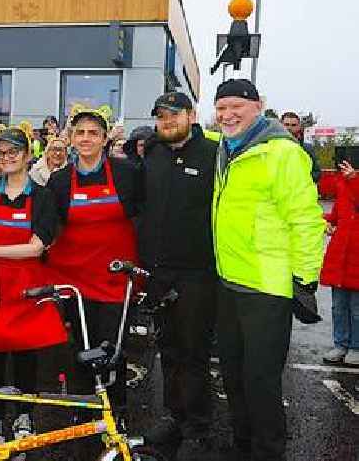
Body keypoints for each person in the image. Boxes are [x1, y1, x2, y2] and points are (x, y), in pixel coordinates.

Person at [212, 79, 325, 461]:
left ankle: (268, 451)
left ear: (258, 106)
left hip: (266, 288)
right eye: (221, 107)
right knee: (233, 376)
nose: (227, 115)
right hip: (229, 282)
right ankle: (242, 445)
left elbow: (307, 219)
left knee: (261, 381)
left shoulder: (282, 153)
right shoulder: (226, 149)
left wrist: (305, 277)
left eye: (235, 107)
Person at [0, 124, 66, 446]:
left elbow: (37, 247)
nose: (7, 158)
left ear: (28, 155)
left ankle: (24, 415)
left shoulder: (43, 196)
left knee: (26, 357)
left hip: (28, 287)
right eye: (1, 152)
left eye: (13, 152)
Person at [46, 104, 141, 458]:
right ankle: (84, 415)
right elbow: (48, 230)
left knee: (112, 352)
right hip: (75, 281)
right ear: (71, 138)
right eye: (79, 133)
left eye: (93, 133)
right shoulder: (58, 182)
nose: (86, 139)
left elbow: (141, 219)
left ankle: (116, 418)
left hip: (116, 281)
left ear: (104, 139)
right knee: (79, 353)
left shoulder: (127, 173)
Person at [137, 92, 218, 457]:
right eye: (161, 116)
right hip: (158, 272)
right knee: (167, 350)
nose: (167, 121)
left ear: (191, 115)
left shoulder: (214, 154)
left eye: (174, 114)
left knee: (194, 352)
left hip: (198, 274)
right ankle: (174, 416)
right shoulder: (152, 152)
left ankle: (197, 428)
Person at [320, 160, 359, 366]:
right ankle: (341, 344)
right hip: (340, 254)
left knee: (356, 308)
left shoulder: (352, 182)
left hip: (355, 255)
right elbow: (336, 215)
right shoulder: (344, 183)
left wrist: (354, 180)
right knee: (338, 306)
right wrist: (324, 220)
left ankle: (355, 347)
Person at [280, 111, 321, 183]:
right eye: (286, 124)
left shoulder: (307, 149)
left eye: (293, 125)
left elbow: (316, 173)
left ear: (299, 127)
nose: (289, 128)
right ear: (280, 125)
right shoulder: (270, 147)